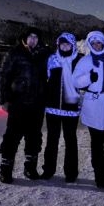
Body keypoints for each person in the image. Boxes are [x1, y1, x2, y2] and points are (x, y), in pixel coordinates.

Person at [0, 27, 49, 184]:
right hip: (18, 101)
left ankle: (30, 167)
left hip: (37, 102)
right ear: (25, 38)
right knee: (12, 136)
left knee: (34, 136)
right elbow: (3, 76)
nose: (33, 40)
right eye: (30, 37)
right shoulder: (14, 53)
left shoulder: (44, 54)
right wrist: (4, 100)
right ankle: (5, 169)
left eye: (36, 37)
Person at [73, 30, 104, 188]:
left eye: (99, 42)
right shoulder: (85, 61)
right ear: (90, 44)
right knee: (96, 145)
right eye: (93, 43)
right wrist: (88, 78)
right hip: (93, 106)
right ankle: (99, 176)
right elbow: (75, 82)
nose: (96, 45)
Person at [41, 32, 83, 182]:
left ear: (72, 45)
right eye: (62, 44)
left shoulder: (79, 60)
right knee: (52, 140)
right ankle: (48, 170)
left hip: (71, 109)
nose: (65, 47)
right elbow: (47, 78)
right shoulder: (52, 59)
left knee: (70, 140)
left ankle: (71, 172)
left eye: (68, 44)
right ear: (58, 45)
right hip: (52, 108)